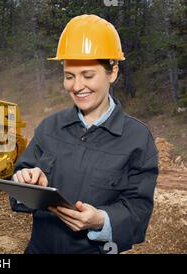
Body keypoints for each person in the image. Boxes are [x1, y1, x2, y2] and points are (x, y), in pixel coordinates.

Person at [11, 14, 159, 254]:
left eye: (88, 75)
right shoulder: (49, 127)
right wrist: (25, 180)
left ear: (112, 72)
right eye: (69, 76)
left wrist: (101, 220)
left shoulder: (137, 138)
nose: (77, 86)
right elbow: (18, 186)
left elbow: (139, 210)